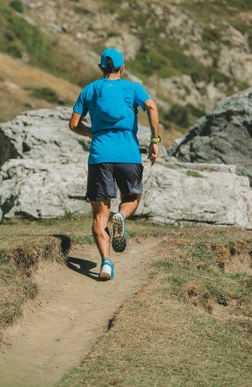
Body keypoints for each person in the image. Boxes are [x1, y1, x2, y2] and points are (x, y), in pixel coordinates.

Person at [69, 47, 160, 281]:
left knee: (100, 215)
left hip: (100, 156)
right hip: (128, 155)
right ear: (123, 66)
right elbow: (151, 106)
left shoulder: (90, 90)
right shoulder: (132, 88)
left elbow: (73, 124)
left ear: (101, 68)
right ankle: (122, 216)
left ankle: (106, 264)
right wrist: (154, 141)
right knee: (132, 198)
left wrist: (92, 132)